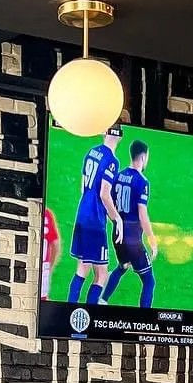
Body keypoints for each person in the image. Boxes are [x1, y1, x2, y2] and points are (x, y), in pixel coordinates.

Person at [67, 127, 123, 305]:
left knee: (82, 269)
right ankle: (89, 316)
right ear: (120, 137)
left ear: (103, 133)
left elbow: (83, 187)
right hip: (94, 222)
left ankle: (68, 312)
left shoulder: (91, 152)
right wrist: (116, 218)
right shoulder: (112, 161)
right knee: (101, 274)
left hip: (82, 214)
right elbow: (104, 194)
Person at [102, 140, 158, 309]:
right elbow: (142, 214)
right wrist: (152, 240)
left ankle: (102, 300)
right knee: (149, 282)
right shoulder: (142, 182)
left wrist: (116, 222)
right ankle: (144, 321)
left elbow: (108, 203)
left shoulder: (118, 175)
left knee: (123, 266)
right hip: (133, 239)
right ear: (143, 157)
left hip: (117, 234)